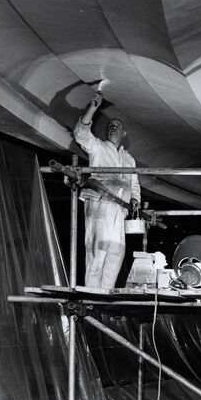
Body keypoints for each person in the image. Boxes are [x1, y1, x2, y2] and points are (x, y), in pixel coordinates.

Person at [73, 91, 140, 288]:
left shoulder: (128, 159)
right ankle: (93, 291)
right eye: (111, 126)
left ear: (123, 133)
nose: (113, 128)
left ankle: (106, 291)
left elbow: (134, 184)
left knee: (116, 250)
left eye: (118, 126)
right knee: (97, 249)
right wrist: (92, 109)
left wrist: (135, 199)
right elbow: (81, 135)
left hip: (119, 209)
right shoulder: (98, 148)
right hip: (100, 205)